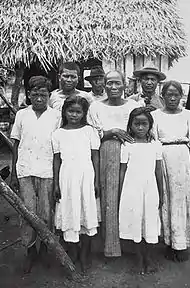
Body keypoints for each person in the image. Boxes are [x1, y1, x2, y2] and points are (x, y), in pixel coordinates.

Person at [10, 76, 61, 273]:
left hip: (47, 170)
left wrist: (57, 178)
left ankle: (46, 248)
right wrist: (14, 172)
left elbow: (58, 149)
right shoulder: (22, 115)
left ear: (49, 96)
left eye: (43, 94)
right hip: (25, 169)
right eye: (35, 94)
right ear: (29, 95)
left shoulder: (56, 116)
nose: (39, 98)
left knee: (46, 211)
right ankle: (30, 250)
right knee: (27, 211)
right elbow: (16, 143)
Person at [87, 70, 140, 257]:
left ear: (124, 85)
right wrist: (113, 131)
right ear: (104, 85)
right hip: (107, 155)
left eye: (117, 83)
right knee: (109, 197)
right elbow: (91, 135)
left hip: (131, 154)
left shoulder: (133, 105)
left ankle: (132, 243)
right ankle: (110, 246)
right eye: (109, 83)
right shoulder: (95, 107)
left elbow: (140, 129)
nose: (113, 87)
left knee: (129, 196)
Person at [151, 80, 190, 262]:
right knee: (166, 198)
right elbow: (154, 141)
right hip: (163, 159)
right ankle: (169, 242)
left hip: (183, 160)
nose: (172, 98)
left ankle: (182, 243)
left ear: (181, 96)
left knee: (182, 200)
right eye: (168, 95)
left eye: (176, 95)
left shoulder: (188, 115)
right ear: (162, 96)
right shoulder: (155, 115)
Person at [52, 96, 100, 273]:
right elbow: (57, 160)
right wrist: (56, 184)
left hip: (86, 176)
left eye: (78, 111)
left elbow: (95, 157)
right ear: (64, 112)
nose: (74, 115)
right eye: (71, 111)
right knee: (70, 211)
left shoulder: (89, 131)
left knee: (86, 211)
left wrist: (96, 181)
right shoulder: (57, 134)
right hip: (66, 177)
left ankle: (85, 253)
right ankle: (72, 251)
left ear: (84, 113)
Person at [119, 107, 163, 274]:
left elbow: (158, 171)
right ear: (130, 125)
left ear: (150, 125)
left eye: (144, 124)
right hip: (132, 189)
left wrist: (161, 192)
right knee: (135, 222)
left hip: (150, 189)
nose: (140, 127)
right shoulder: (127, 145)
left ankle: (149, 258)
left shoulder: (155, 145)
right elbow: (122, 170)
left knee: (150, 222)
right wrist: (121, 191)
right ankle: (138, 258)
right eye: (136, 124)